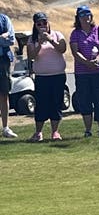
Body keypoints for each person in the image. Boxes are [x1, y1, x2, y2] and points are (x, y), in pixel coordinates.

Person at [70, 5, 99, 138]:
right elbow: (75, 52)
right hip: (82, 72)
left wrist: (97, 59)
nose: (85, 17)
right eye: (82, 15)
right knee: (85, 100)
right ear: (78, 18)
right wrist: (87, 63)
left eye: (88, 14)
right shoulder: (75, 33)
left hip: (98, 71)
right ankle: (88, 129)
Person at [27, 12, 67, 142]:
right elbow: (32, 56)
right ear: (35, 25)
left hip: (58, 76)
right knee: (42, 104)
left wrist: (50, 40)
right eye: (39, 24)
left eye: (44, 22)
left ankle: (55, 131)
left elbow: (62, 49)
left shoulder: (57, 35)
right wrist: (39, 43)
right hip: (42, 77)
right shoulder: (32, 39)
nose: (42, 25)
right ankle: (38, 132)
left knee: (56, 103)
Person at [0, 11, 17, 138]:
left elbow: (11, 39)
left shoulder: (4, 19)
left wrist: (5, 38)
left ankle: (5, 128)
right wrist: (1, 37)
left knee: (4, 93)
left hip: (3, 61)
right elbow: (5, 38)